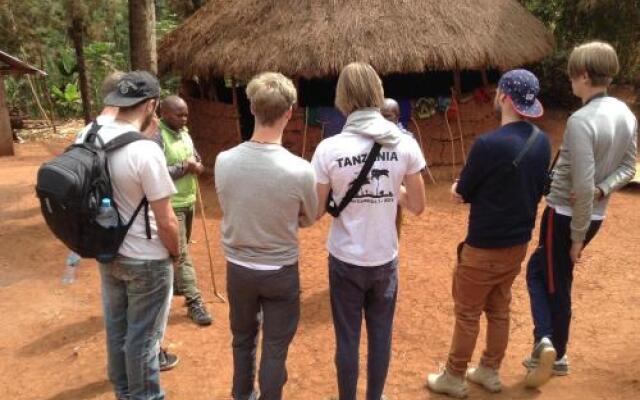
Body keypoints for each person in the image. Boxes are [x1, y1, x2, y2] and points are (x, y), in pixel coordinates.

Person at [426, 69, 551, 398]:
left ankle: (454, 375)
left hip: (483, 246)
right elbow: (542, 187)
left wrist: (457, 188)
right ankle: (489, 370)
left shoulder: (487, 144)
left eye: (499, 92)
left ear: (505, 98)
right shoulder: (542, 142)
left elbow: (461, 192)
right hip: (517, 244)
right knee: (499, 308)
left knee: (467, 312)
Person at [523, 41, 637, 388]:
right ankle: (548, 344)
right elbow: (629, 167)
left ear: (585, 75)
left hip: (565, 215)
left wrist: (575, 238)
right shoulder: (625, 113)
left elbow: (583, 186)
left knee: (554, 282)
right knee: (543, 271)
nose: (570, 81)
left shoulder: (581, 120)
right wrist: (604, 190)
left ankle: (554, 350)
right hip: (593, 215)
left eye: (573, 74)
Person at [312, 62, 426, 400]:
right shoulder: (404, 144)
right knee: (380, 337)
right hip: (384, 258)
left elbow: (317, 210)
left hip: (345, 258)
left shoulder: (328, 149)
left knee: (347, 339)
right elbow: (417, 205)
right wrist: (391, 191)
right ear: (377, 92)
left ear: (342, 97)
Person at [215, 72, 318, 400]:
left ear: (252, 109)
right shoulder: (300, 169)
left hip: (239, 269)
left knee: (242, 339)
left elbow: (231, 205)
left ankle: (241, 394)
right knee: (275, 348)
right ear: (289, 112)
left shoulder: (223, 161)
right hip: (280, 271)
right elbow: (310, 216)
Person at [85, 71, 180, 400]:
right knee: (144, 339)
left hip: (107, 250)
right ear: (152, 105)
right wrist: (176, 253)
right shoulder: (145, 151)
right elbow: (166, 220)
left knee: (117, 327)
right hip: (147, 259)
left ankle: (124, 392)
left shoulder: (89, 133)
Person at [156, 95, 213, 326]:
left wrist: (197, 165)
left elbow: (195, 157)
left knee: (180, 249)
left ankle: (176, 286)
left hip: (188, 201)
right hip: (170, 204)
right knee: (181, 253)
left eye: (186, 114)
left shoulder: (184, 133)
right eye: (179, 114)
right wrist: (184, 167)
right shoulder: (156, 137)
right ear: (165, 114)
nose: (184, 118)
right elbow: (156, 172)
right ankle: (194, 301)